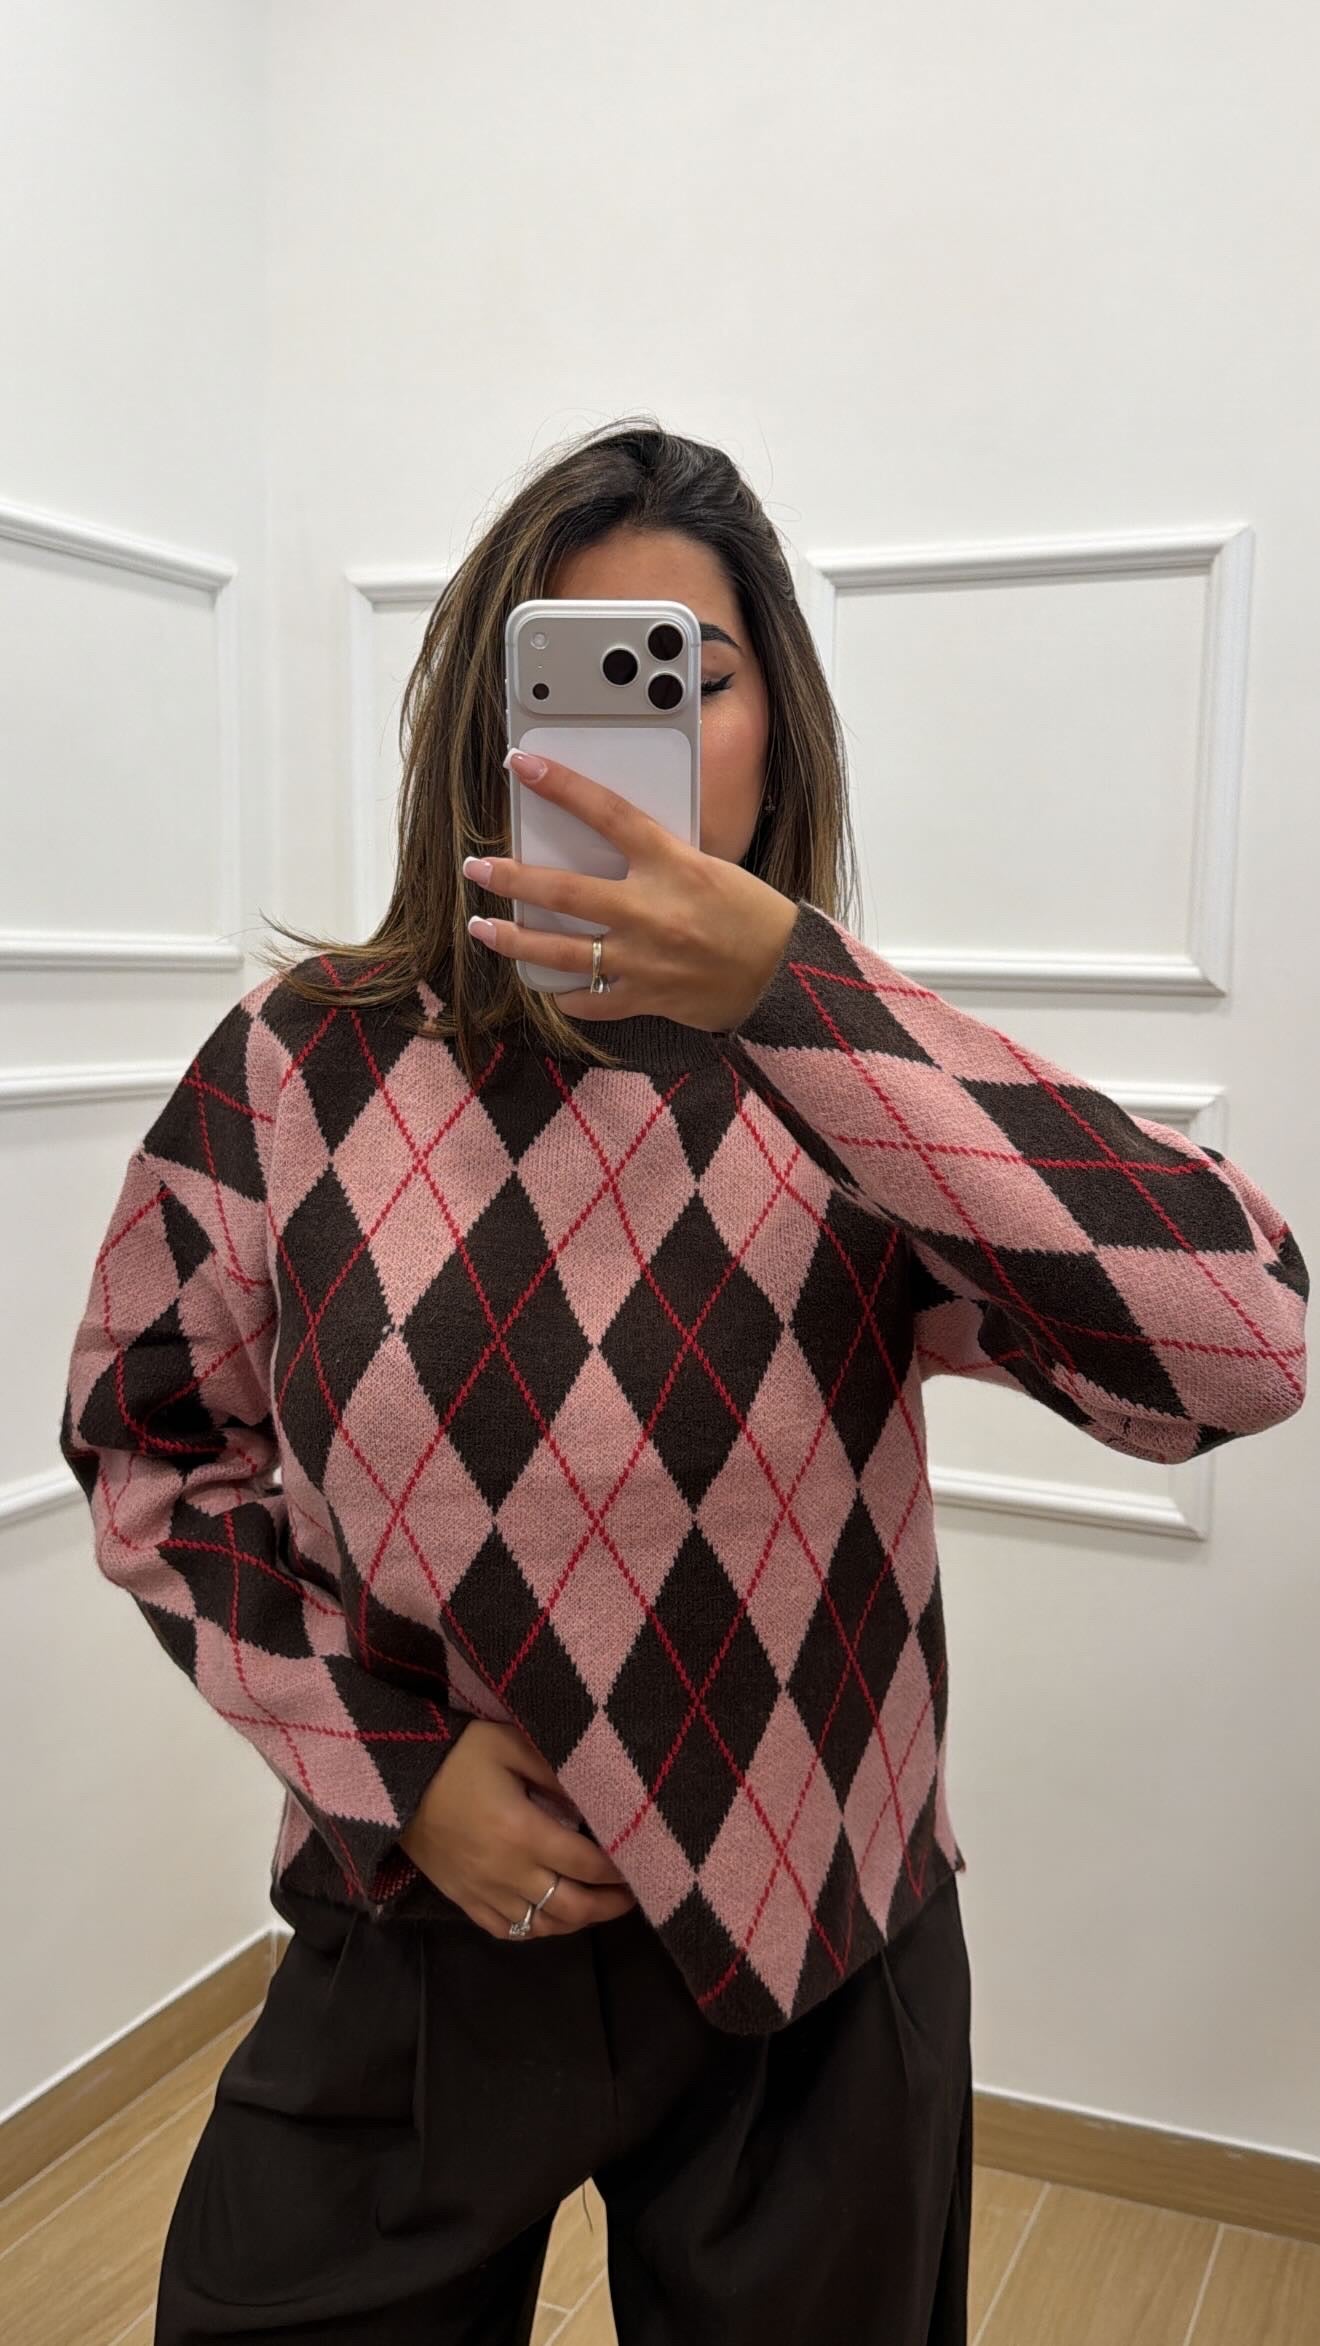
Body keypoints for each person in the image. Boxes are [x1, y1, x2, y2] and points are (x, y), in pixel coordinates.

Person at [58, 418, 1308, 2345]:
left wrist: (801, 994)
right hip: (413, 1934)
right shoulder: (296, 1068)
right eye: (564, 676)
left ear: (776, 728)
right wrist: (396, 1774)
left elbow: (1246, 1339)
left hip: (816, 1971)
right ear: (480, 728)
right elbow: (145, 1447)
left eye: (690, 679)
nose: (623, 738)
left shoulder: (858, 1093)